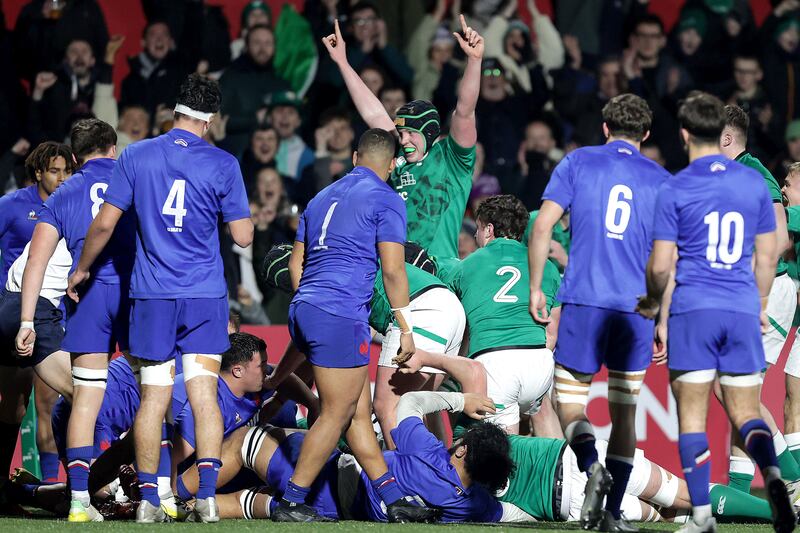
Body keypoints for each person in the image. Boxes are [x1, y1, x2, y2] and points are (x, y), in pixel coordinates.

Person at [67, 74, 254, 523]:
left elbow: (106, 224)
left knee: (152, 398)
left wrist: (82, 268)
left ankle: (150, 500)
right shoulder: (224, 163)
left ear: (176, 111)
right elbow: (244, 237)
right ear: (211, 121)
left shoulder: (136, 154)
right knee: (204, 393)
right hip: (205, 296)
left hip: (152, 295)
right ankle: (207, 497)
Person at [637, 91, 795, 533]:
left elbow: (663, 263)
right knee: (745, 409)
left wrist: (657, 313)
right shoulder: (748, 184)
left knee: (694, 415)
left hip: (695, 309)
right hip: (740, 305)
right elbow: (771, 250)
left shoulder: (680, 185)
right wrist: (758, 303)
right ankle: (777, 483)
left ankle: (703, 516)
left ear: (692, 135)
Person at [529, 93, 671, 531]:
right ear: (646, 135)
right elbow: (666, 259)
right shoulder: (663, 180)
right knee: (625, 412)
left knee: (568, 402)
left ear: (605, 128)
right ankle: (612, 512)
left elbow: (542, 225)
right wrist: (663, 318)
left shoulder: (577, 162)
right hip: (635, 309)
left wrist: (537, 286)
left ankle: (592, 467)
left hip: (584, 300)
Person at [278, 128, 431, 523]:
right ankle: (292, 501)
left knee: (357, 413)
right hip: (340, 313)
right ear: (393, 164)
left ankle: (394, 499)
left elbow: (296, 263)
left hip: (305, 307)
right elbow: (394, 271)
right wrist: (406, 328)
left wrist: (308, 301)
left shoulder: (318, 198)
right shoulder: (386, 199)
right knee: (337, 411)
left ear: (354, 156)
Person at [16, 119, 134, 522]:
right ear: (113, 149)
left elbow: (36, 259)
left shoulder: (64, 192)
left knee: (84, 397)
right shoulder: (132, 177)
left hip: (86, 298)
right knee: (157, 392)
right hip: (135, 293)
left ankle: (81, 501)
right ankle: (161, 494)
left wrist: (27, 319)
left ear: (74, 155)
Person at [187, 391, 515, 522]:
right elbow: (514, 514)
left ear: (461, 449)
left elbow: (410, 402)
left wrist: (459, 399)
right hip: (333, 512)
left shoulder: (429, 453)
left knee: (245, 439)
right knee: (252, 499)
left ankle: (173, 496)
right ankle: (187, 510)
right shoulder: (474, 506)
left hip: (329, 477)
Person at [323, 14, 482, 261]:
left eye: (411, 134)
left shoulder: (454, 160)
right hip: (394, 271)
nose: (404, 140)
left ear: (430, 133)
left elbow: (464, 110)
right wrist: (343, 63)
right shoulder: (397, 156)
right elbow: (373, 112)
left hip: (438, 272)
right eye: (401, 133)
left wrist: (474, 61)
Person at [719, 104, 800, 494]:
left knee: (734, 389)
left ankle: (794, 472)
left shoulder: (754, 175)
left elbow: (781, 236)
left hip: (766, 290)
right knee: (736, 389)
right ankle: (737, 488)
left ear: (727, 138)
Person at [450, 195, 560, 434]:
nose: (477, 237)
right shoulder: (548, 268)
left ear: (488, 229)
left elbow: (455, 326)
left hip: (496, 363)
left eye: (478, 229)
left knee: (498, 454)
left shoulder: (466, 265)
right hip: (540, 364)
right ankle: (564, 468)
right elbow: (552, 333)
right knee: (541, 414)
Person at [0, 142, 73, 283]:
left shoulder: (76, 207)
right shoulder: (11, 204)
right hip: (13, 296)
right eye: (54, 171)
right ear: (39, 173)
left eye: (68, 171)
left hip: (60, 300)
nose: (62, 178)